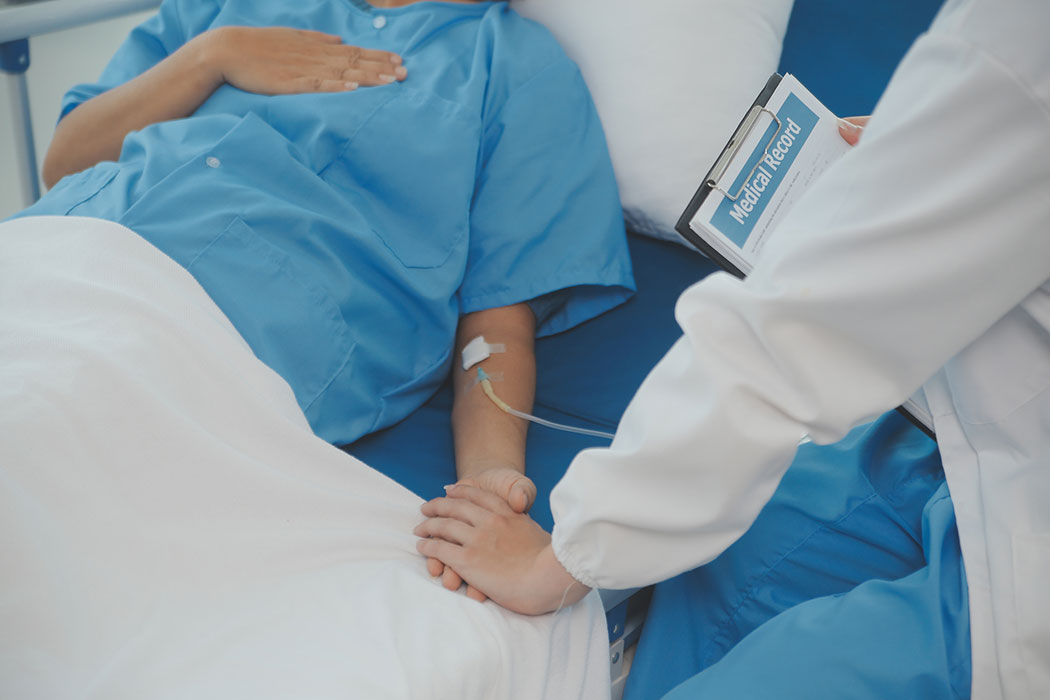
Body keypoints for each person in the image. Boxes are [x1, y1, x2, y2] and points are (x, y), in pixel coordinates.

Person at [415, 0, 1050, 696]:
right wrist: (946, 169)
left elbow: (797, 332)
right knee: (711, 575)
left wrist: (565, 560)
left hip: (1024, 545)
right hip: (954, 429)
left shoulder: (514, 60)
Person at [12, 0, 633, 595]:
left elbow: (497, 317)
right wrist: (211, 56)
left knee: (37, 449)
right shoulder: (227, 7)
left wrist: (488, 481)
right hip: (53, 248)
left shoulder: (518, 67)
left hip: (223, 320)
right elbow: (65, 158)